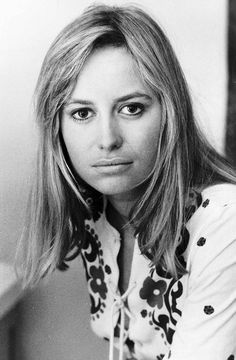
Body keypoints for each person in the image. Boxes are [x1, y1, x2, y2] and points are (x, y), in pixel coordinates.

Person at [20, 4, 236, 360]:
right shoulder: (97, 211)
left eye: (131, 108)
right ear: (57, 128)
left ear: (170, 110)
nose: (107, 139)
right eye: (82, 113)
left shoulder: (223, 223)